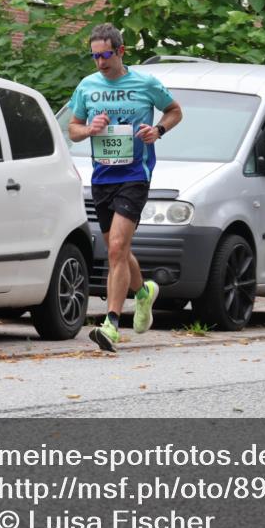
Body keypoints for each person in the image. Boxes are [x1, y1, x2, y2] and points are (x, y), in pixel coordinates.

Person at [67, 23, 183, 352]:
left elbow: (175, 111)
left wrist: (158, 130)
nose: (100, 62)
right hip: (102, 177)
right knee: (119, 249)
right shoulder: (88, 86)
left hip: (135, 174)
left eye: (105, 55)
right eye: (95, 56)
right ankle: (144, 293)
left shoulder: (145, 83)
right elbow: (72, 129)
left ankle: (112, 324)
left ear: (120, 51)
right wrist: (90, 129)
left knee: (116, 248)